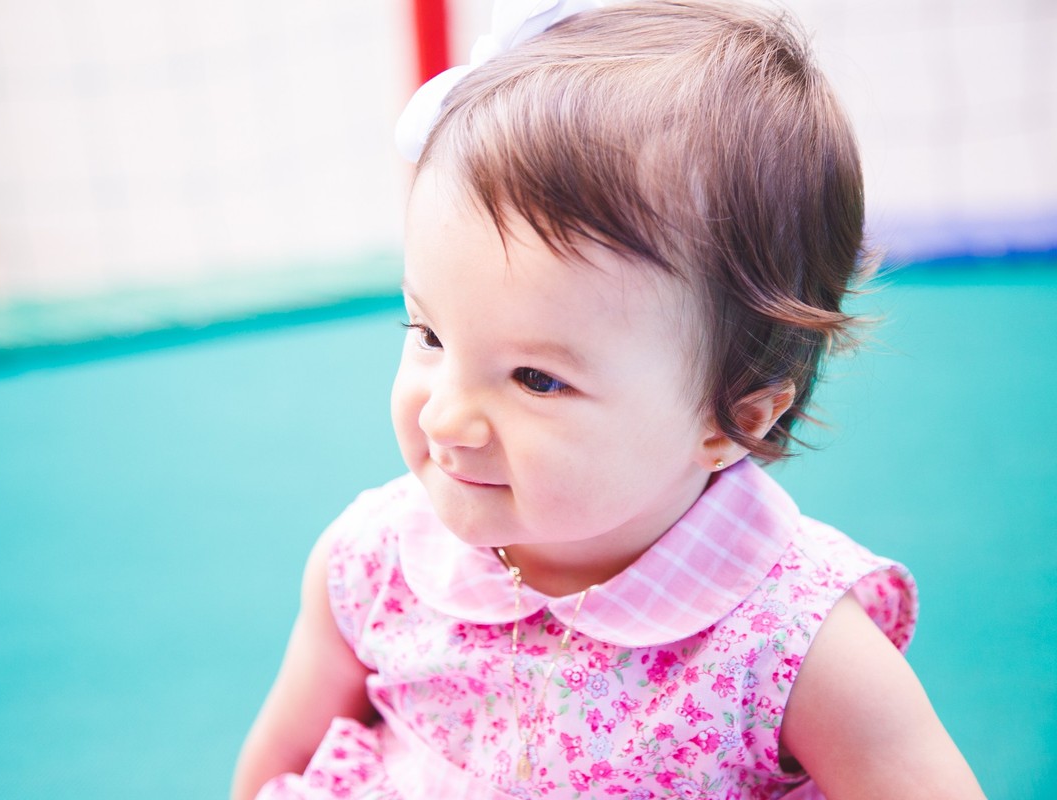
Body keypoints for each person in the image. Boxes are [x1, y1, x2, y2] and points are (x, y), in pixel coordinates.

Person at [231, 1, 985, 797]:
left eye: (537, 379)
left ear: (734, 417)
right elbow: (278, 764)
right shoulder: (376, 564)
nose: (444, 418)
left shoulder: (792, 644)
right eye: (429, 335)